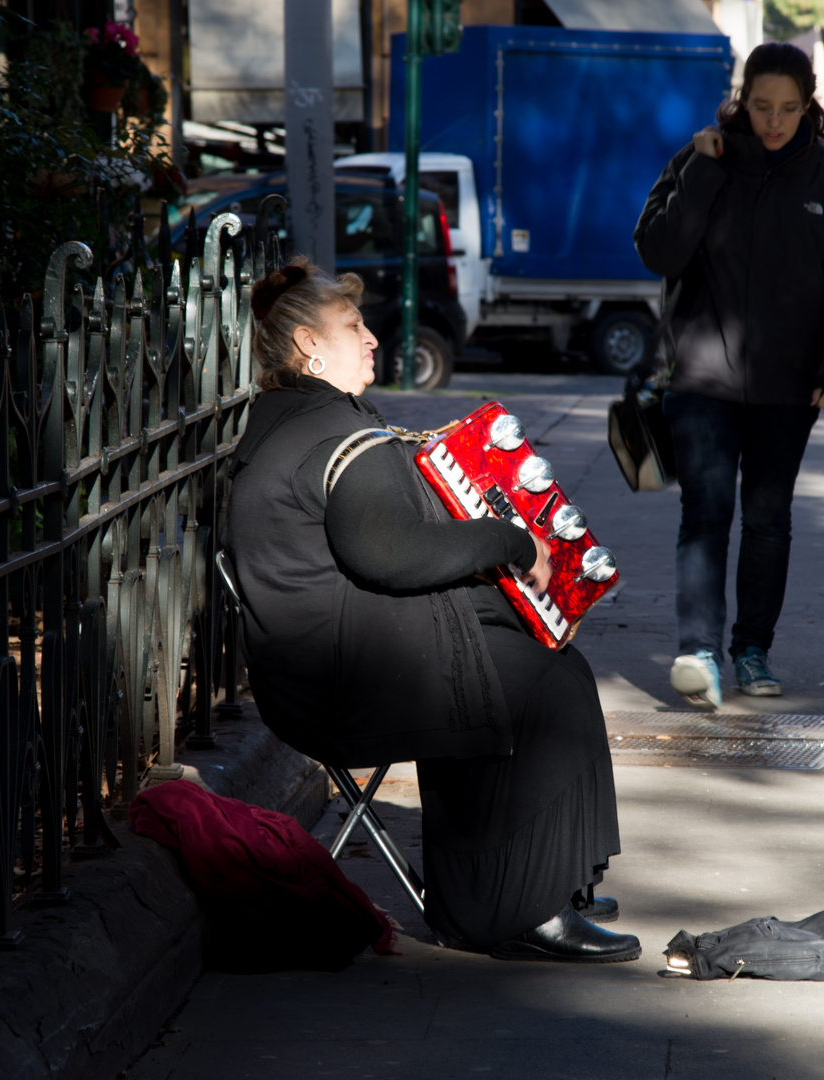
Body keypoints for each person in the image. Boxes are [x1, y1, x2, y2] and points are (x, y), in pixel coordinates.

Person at [223, 259, 640, 963]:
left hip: (318, 667)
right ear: (307, 347)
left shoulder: (294, 417)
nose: (373, 339)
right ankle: (519, 909)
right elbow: (390, 552)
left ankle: (517, 887)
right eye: (353, 327)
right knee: (545, 686)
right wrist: (510, 540)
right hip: (340, 682)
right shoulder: (331, 433)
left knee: (531, 661)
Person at [633, 42, 824, 709]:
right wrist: (704, 173)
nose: (773, 121)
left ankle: (751, 647)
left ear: (809, 106)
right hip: (702, 378)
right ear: (742, 100)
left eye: (788, 108)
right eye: (761, 106)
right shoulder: (702, 159)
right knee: (705, 515)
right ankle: (697, 650)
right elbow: (659, 249)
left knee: (768, 517)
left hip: (789, 386)